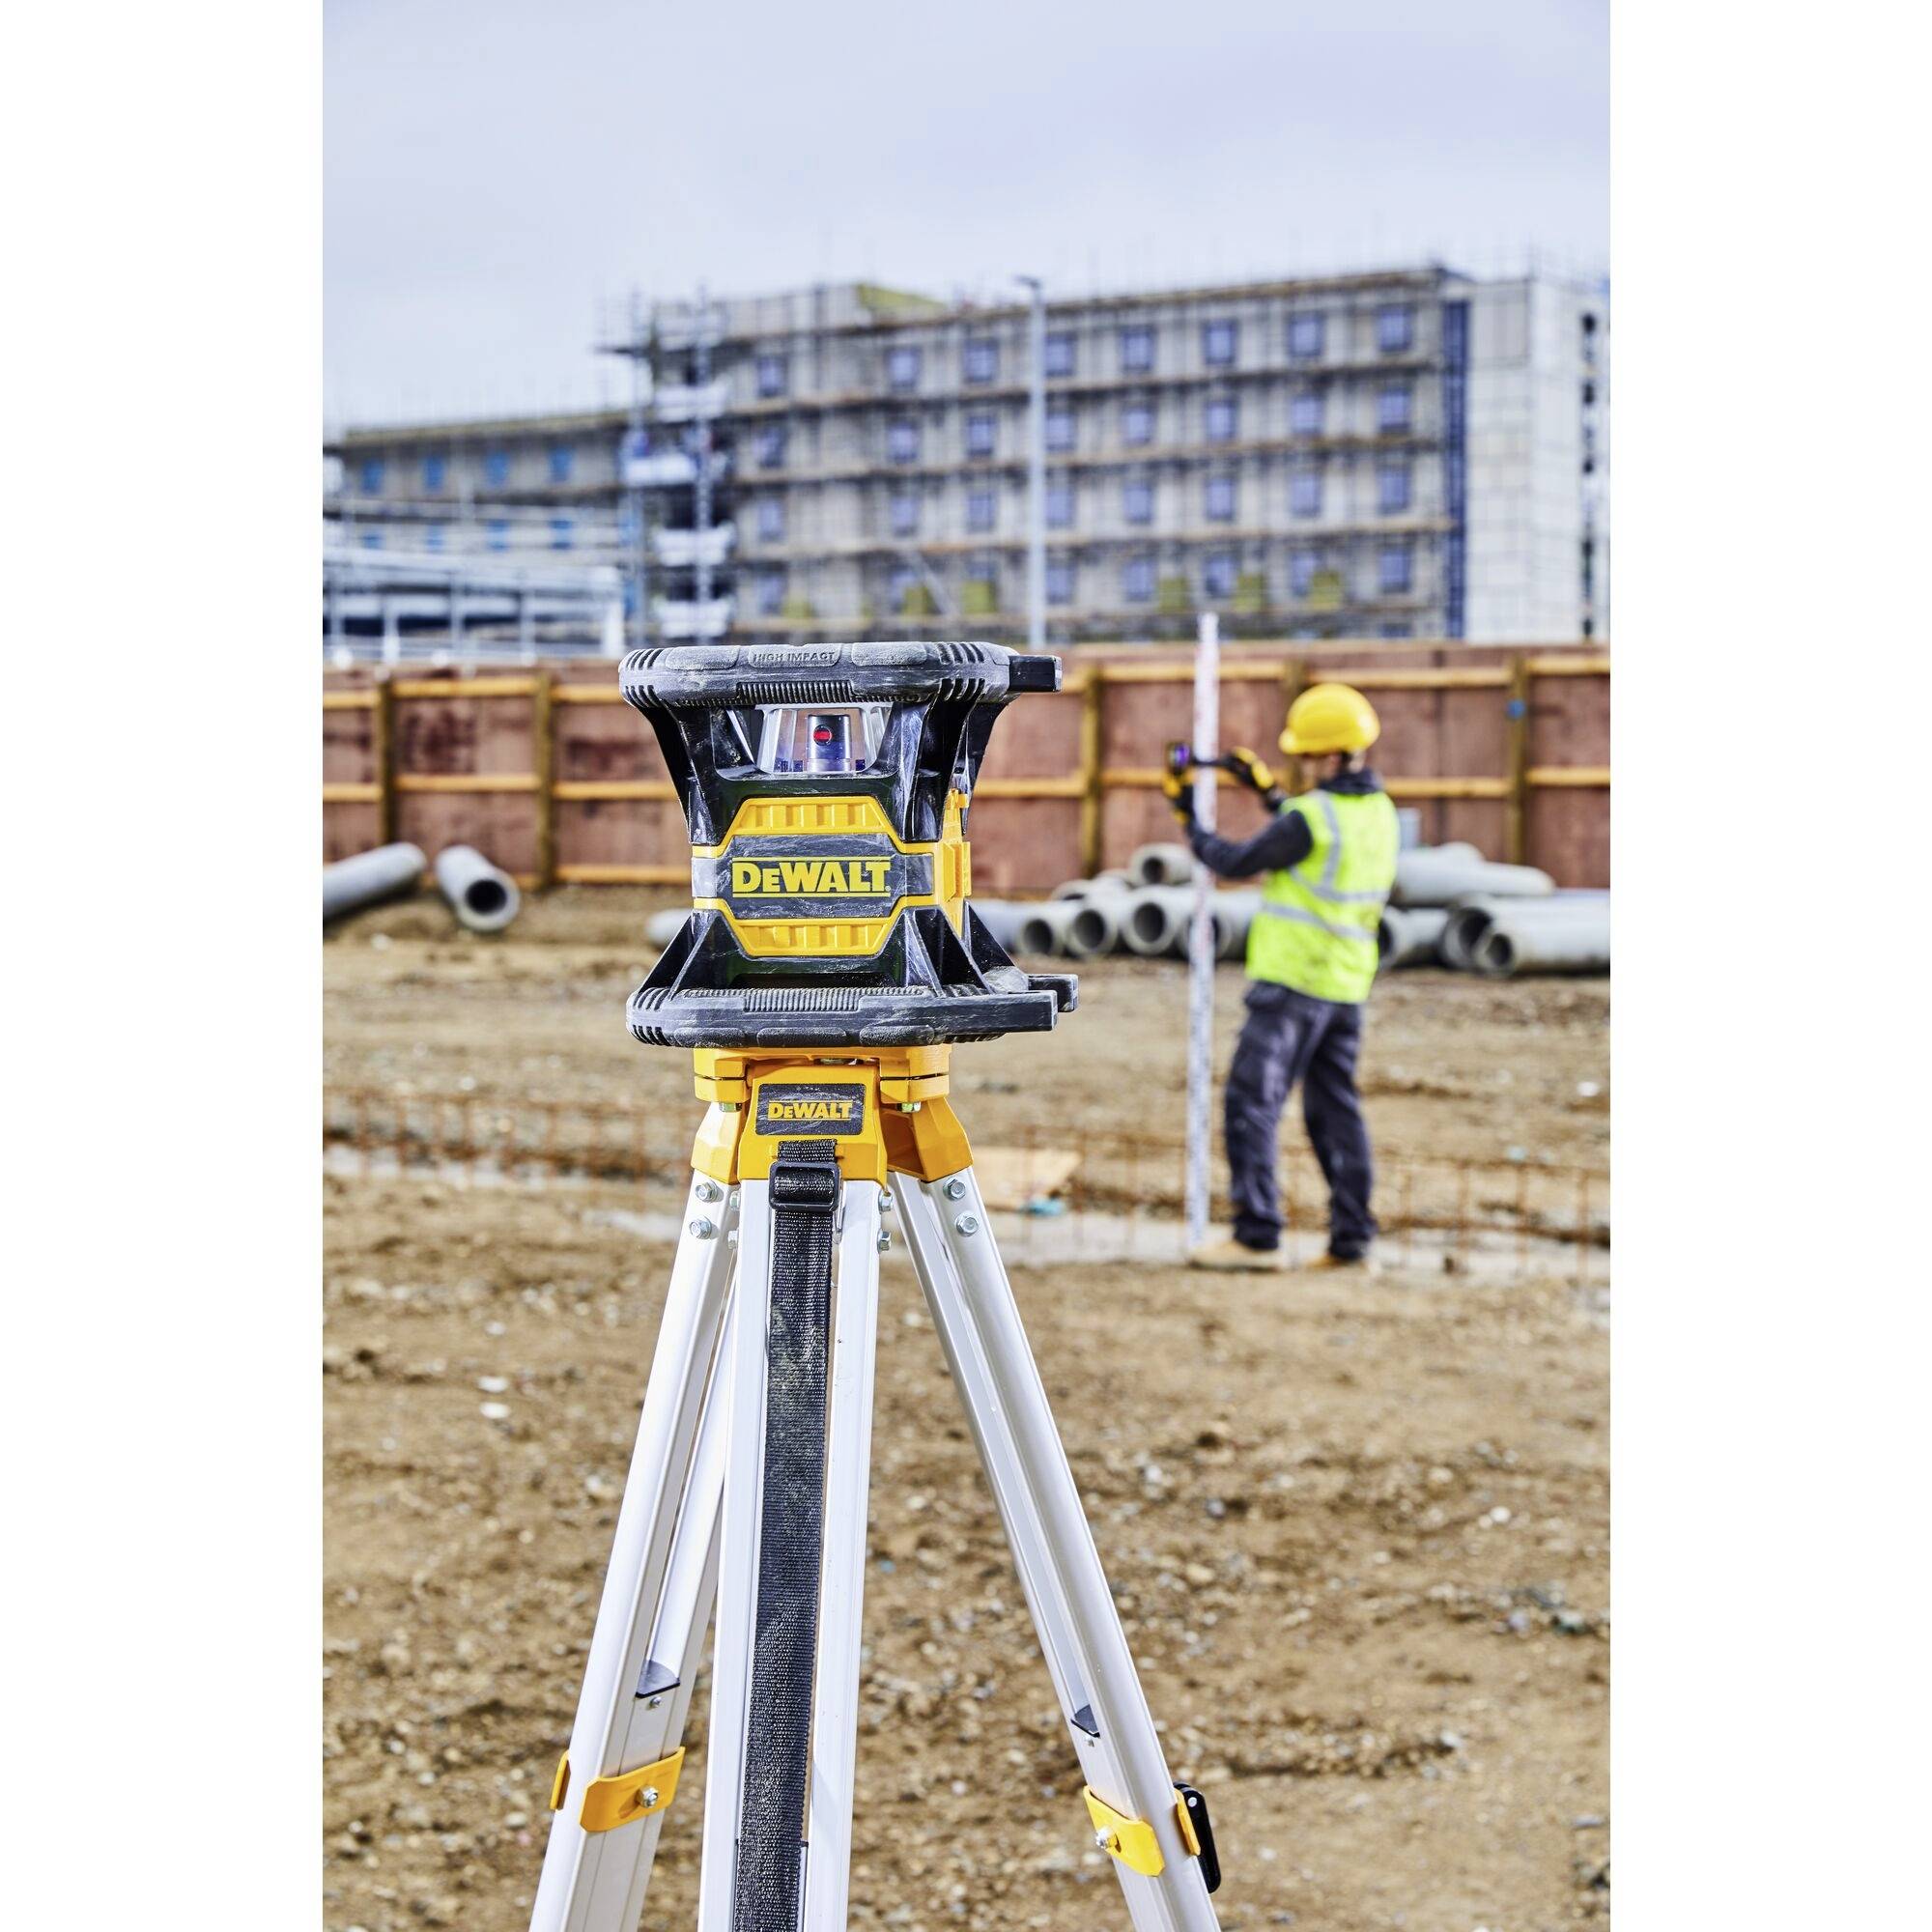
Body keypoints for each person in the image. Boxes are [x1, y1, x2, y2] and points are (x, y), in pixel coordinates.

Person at [1162, 682, 1401, 1272]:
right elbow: (1307, 838)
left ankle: (1257, 1234)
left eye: (1306, 758)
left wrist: (1188, 817)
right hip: (1345, 986)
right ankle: (1351, 1242)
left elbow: (1235, 861)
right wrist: (1266, 791)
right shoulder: (1378, 812)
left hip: (1293, 984)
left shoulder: (1313, 817)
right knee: (1335, 1111)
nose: (1302, 768)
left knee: (1252, 1101)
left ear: (1331, 756)